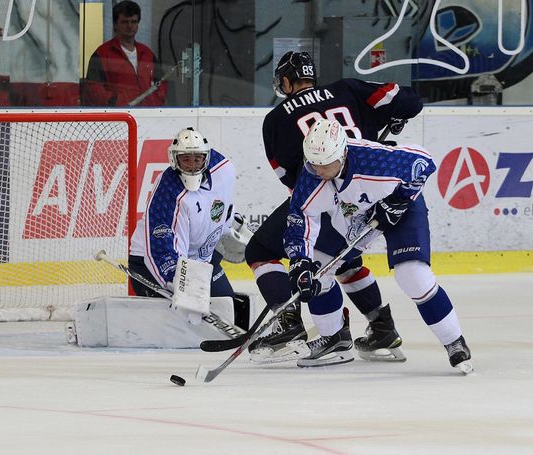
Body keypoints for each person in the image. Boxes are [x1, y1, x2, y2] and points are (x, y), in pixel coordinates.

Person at [246, 50, 423, 363]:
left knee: (260, 251)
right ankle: (382, 327)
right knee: (344, 261)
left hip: (325, 197)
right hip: (372, 194)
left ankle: (291, 324)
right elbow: (409, 99)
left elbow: (290, 179)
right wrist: (396, 115)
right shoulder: (347, 89)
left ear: (286, 82)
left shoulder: (275, 119)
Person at [282, 118, 472, 373]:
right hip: (354, 219)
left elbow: (423, 161)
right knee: (316, 270)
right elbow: (301, 218)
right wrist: (299, 262)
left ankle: (455, 343)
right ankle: (334, 340)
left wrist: (398, 200)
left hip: (401, 211)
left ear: (342, 154)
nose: (317, 170)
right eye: (312, 163)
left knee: (412, 276)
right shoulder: (312, 175)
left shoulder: (373, 160)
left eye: (324, 164)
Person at [128, 127, 250, 328]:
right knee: (183, 326)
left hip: (201, 261)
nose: (192, 165)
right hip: (151, 263)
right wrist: (180, 283)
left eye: (197, 159)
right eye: (186, 160)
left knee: (229, 310)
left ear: (206, 158)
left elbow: (221, 206)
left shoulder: (224, 169)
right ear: (174, 160)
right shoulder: (168, 193)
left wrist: (230, 225)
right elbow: (159, 248)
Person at [81, 0, 167, 107]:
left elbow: (162, 82)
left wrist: (154, 102)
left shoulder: (147, 53)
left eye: (134, 21)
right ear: (115, 24)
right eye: (125, 22)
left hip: (147, 115)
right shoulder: (102, 54)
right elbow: (94, 89)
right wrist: (118, 104)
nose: (130, 26)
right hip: (118, 117)